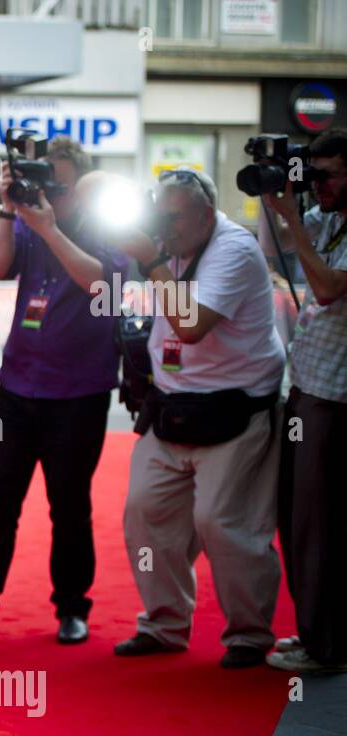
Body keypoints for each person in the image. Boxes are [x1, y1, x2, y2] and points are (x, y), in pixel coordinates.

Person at [0, 140, 129, 648]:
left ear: (80, 188)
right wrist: (8, 208)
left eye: (58, 186)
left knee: (68, 504)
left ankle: (72, 607)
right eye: (42, 183)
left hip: (80, 392)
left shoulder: (108, 231)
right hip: (18, 385)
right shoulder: (22, 220)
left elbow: (102, 286)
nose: (48, 194)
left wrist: (48, 227)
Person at [111, 168, 284, 669]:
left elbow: (190, 326)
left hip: (234, 407)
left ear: (207, 214)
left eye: (175, 218)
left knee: (223, 524)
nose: (165, 227)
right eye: (157, 216)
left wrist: (153, 258)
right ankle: (164, 624)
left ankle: (249, 635)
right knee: (144, 514)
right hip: (171, 404)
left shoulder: (234, 249)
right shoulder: (170, 243)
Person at [261, 127, 347, 674]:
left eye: (330, 174)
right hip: (307, 387)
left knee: (318, 523)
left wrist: (294, 217)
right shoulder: (327, 217)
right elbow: (275, 250)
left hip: (334, 398)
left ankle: (327, 646)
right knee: (295, 519)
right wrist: (278, 203)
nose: (320, 185)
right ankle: (315, 632)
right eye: (313, 174)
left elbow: (327, 288)